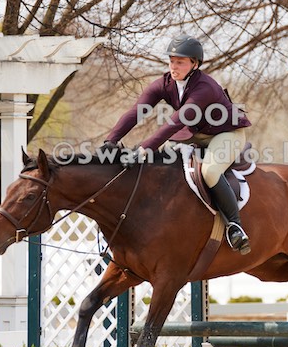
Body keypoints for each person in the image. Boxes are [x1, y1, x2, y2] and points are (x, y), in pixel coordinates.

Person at [104, 34, 252, 254]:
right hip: (195, 133)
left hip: (226, 133)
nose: (174, 66)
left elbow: (176, 122)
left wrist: (144, 148)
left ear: (195, 64)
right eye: (172, 61)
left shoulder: (205, 87)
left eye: (180, 62)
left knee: (210, 172)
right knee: (162, 164)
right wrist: (111, 140)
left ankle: (234, 226)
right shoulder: (164, 84)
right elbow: (136, 112)